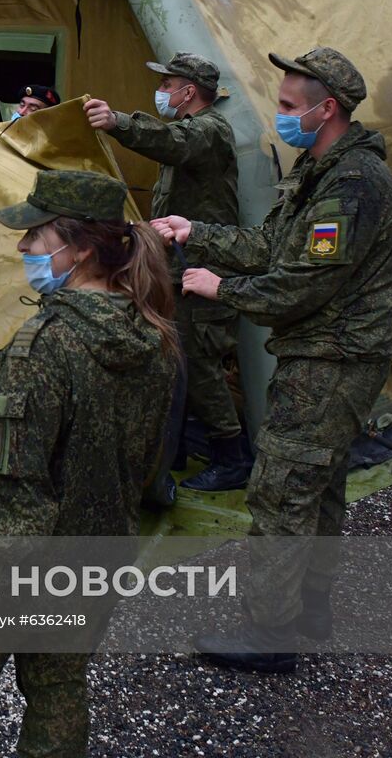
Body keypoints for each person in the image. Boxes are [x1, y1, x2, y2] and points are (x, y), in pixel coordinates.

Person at [151, 47, 392, 673]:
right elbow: (270, 242)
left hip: (332, 361)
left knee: (281, 491)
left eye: (290, 107)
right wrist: (196, 231)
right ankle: (308, 609)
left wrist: (222, 289)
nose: (280, 115)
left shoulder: (353, 184)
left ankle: (269, 634)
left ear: (328, 109)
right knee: (318, 489)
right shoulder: (319, 171)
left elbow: (301, 283)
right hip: (329, 355)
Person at [0, 169, 179, 757]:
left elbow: (8, 491)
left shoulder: (41, 353)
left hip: (12, 577)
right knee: (58, 688)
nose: (23, 247)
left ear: (79, 249)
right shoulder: (151, 338)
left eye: (35, 235)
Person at [84, 52, 248, 491]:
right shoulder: (193, 131)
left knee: (198, 362)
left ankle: (232, 458)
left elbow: (169, 142)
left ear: (188, 91)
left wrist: (117, 121)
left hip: (201, 269)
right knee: (175, 359)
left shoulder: (208, 131)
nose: (162, 91)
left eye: (168, 83)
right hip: (179, 268)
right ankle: (171, 449)